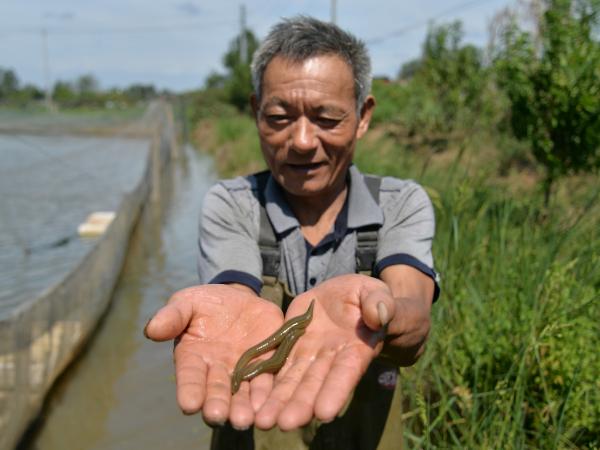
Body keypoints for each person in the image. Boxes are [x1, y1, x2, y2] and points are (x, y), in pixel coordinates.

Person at [144, 16, 439, 450]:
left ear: (363, 116)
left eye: (327, 118)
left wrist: (384, 314)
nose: (302, 141)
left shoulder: (400, 204)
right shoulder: (231, 203)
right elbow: (234, 287)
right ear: (255, 112)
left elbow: (413, 319)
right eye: (279, 117)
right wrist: (228, 307)